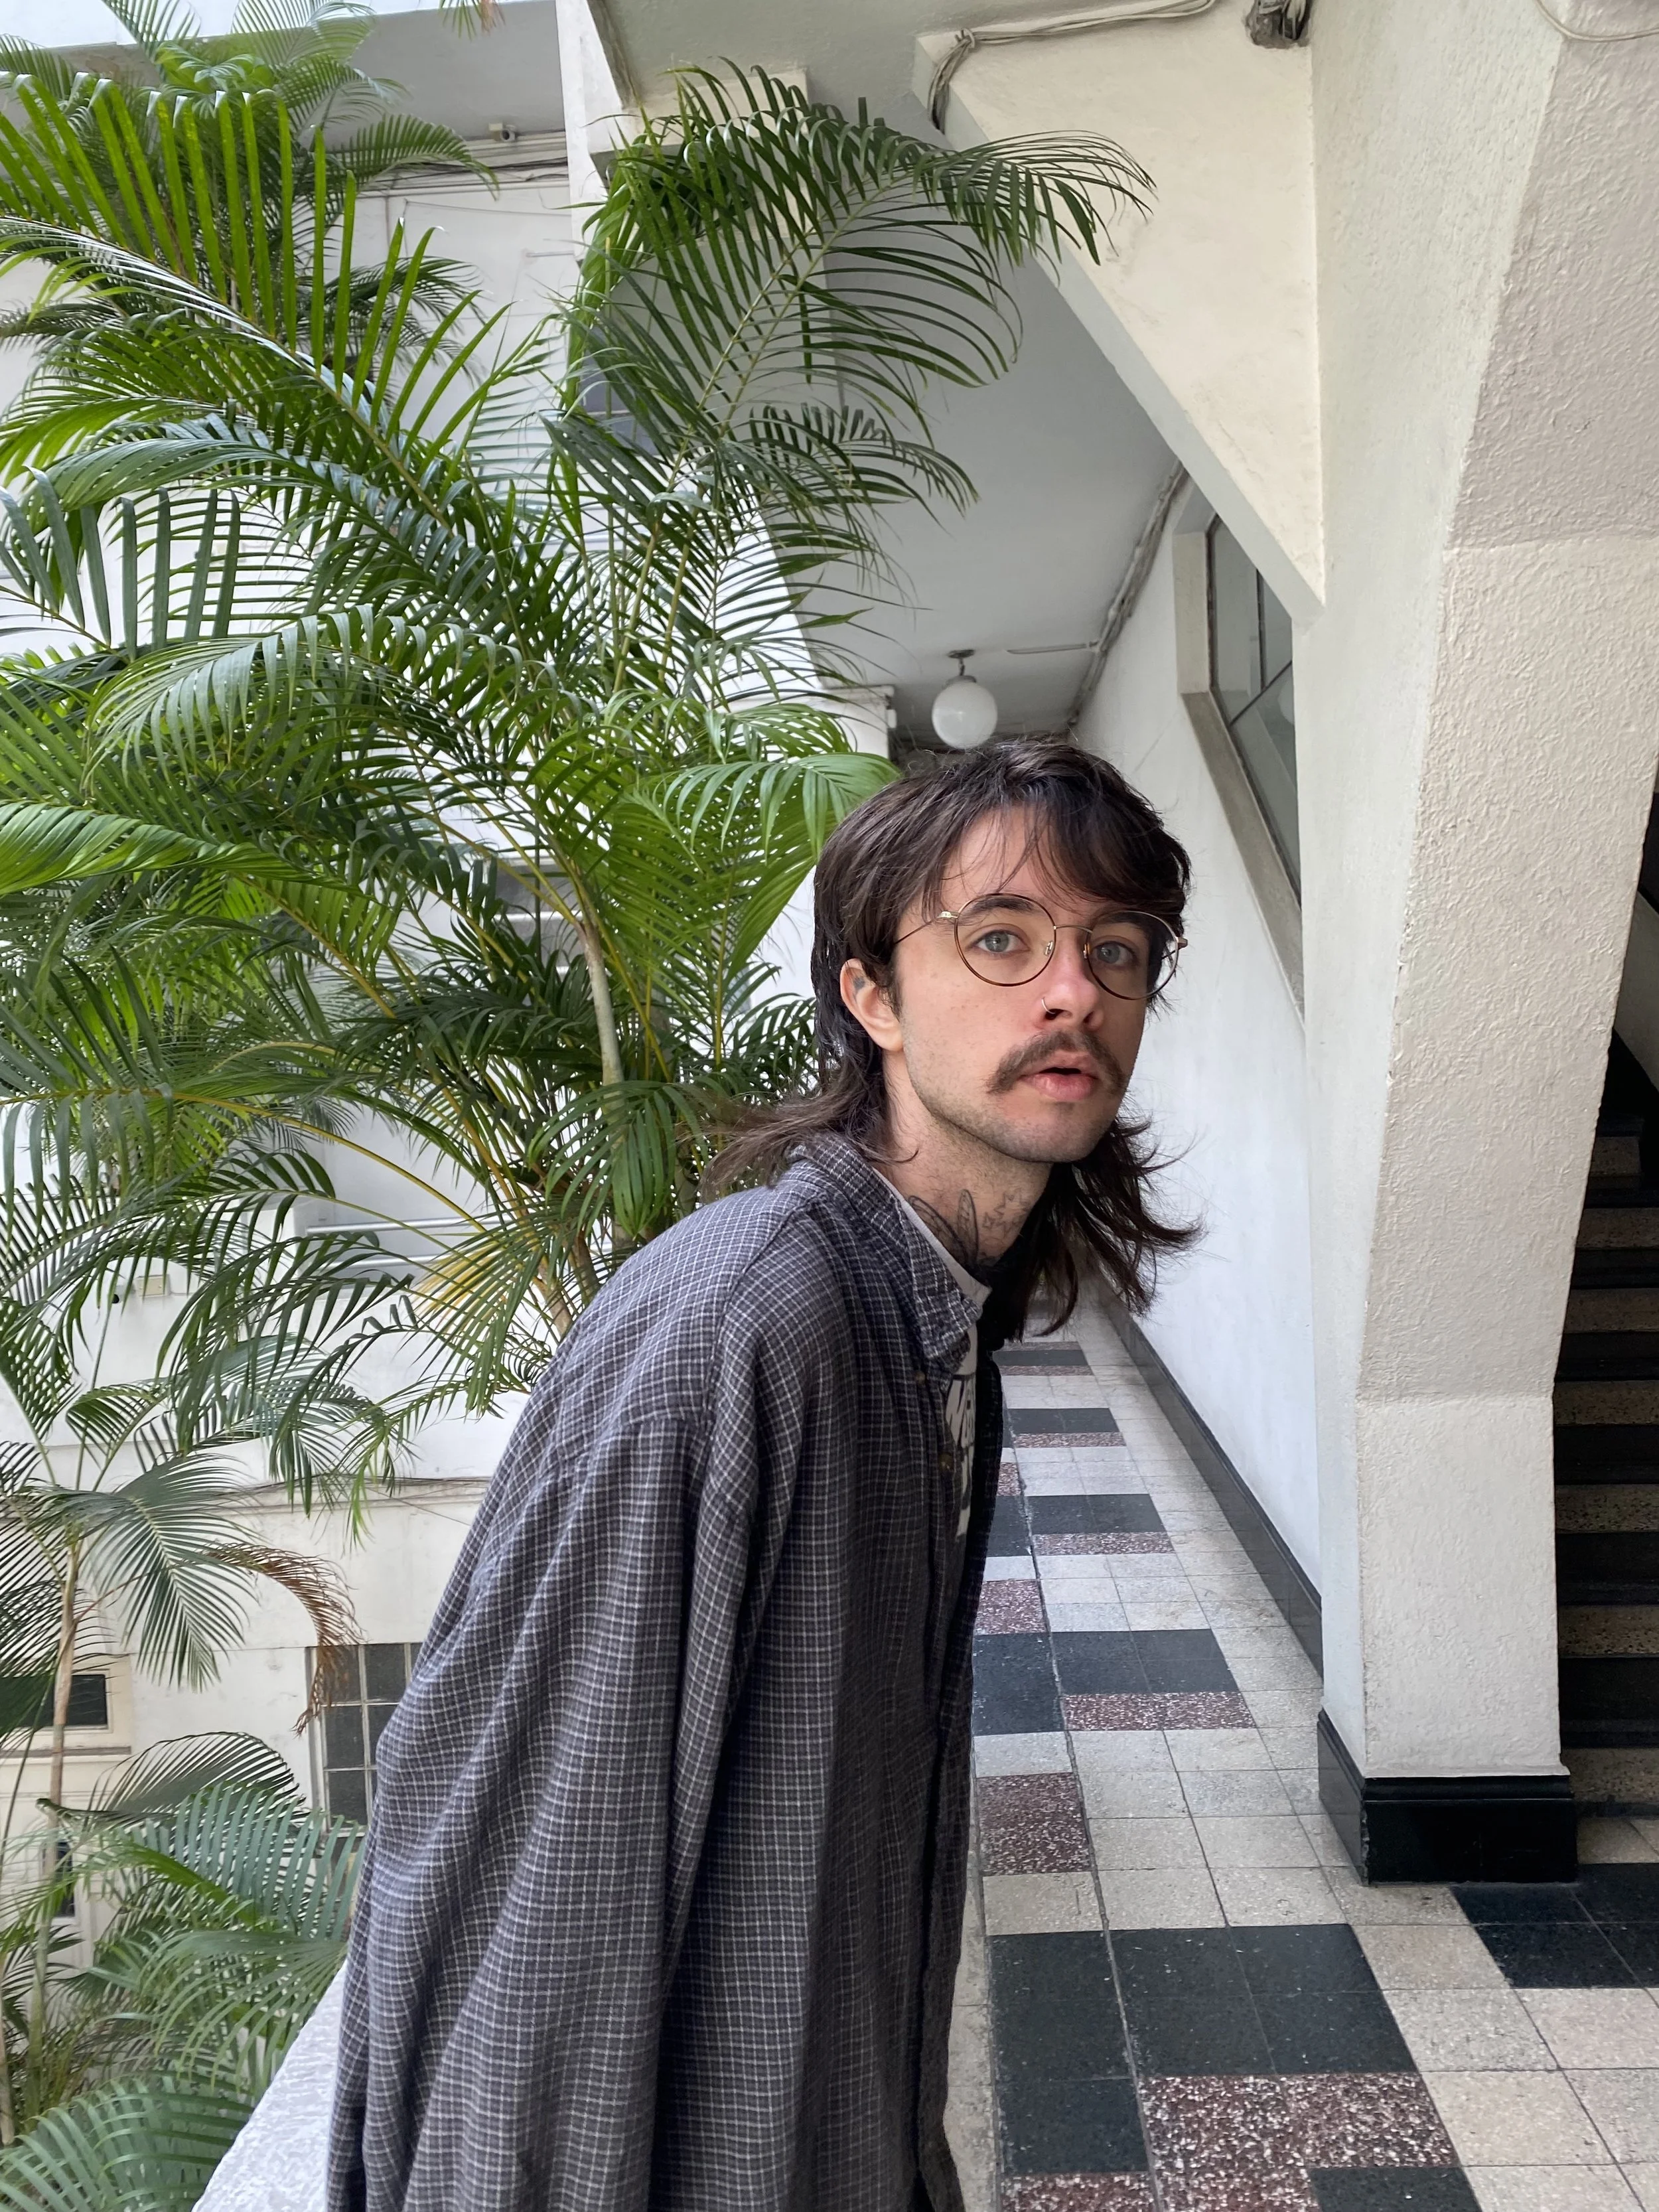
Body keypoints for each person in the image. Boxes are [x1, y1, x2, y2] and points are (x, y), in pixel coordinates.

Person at [328, 737, 1192, 2212]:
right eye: (1000, 940)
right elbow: (534, 1888)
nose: (1072, 994)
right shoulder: (737, 1327)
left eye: (1114, 949)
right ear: (870, 996)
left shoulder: (932, 1318)